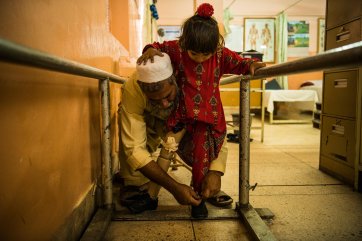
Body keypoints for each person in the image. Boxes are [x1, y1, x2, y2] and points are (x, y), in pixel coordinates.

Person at [136, 3, 266, 217]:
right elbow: (156, 46)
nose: (199, 58)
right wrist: (148, 49)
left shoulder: (220, 55)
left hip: (207, 118)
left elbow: (241, 63)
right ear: (185, 43)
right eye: (194, 53)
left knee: (201, 159)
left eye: (205, 54)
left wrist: (251, 65)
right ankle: (151, 195)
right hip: (181, 113)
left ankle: (198, 200)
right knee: (167, 149)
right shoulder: (177, 50)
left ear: (216, 47)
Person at [118, 53, 229, 218]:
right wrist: (174, 187)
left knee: (202, 144)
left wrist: (216, 171)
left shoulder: (193, 81)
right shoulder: (133, 88)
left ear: (175, 80)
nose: (163, 103)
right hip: (151, 123)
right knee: (138, 162)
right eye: (155, 100)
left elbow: (214, 126)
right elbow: (134, 149)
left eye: (167, 96)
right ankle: (136, 186)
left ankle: (204, 187)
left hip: (185, 121)